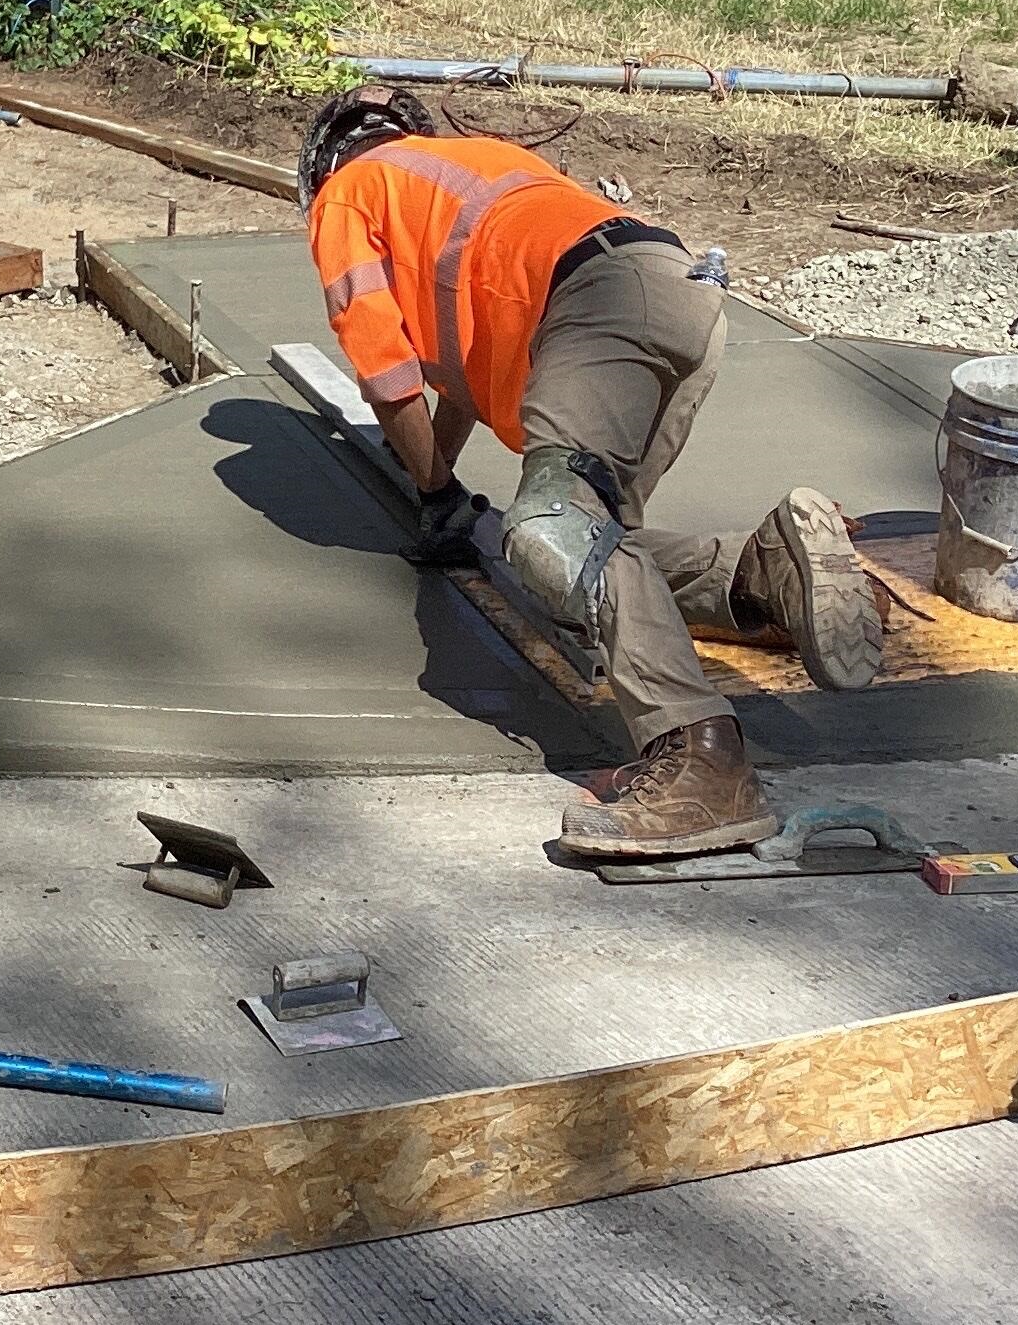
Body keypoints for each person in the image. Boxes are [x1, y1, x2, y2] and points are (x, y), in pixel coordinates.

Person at [302, 84, 881, 860]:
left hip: (594, 303)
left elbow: (389, 375)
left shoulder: (347, 196)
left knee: (552, 535)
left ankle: (707, 764)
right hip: (676, 292)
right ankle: (757, 574)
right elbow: (464, 363)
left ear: (323, 166)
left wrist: (437, 493)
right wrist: (440, 477)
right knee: (599, 564)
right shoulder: (468, 168)